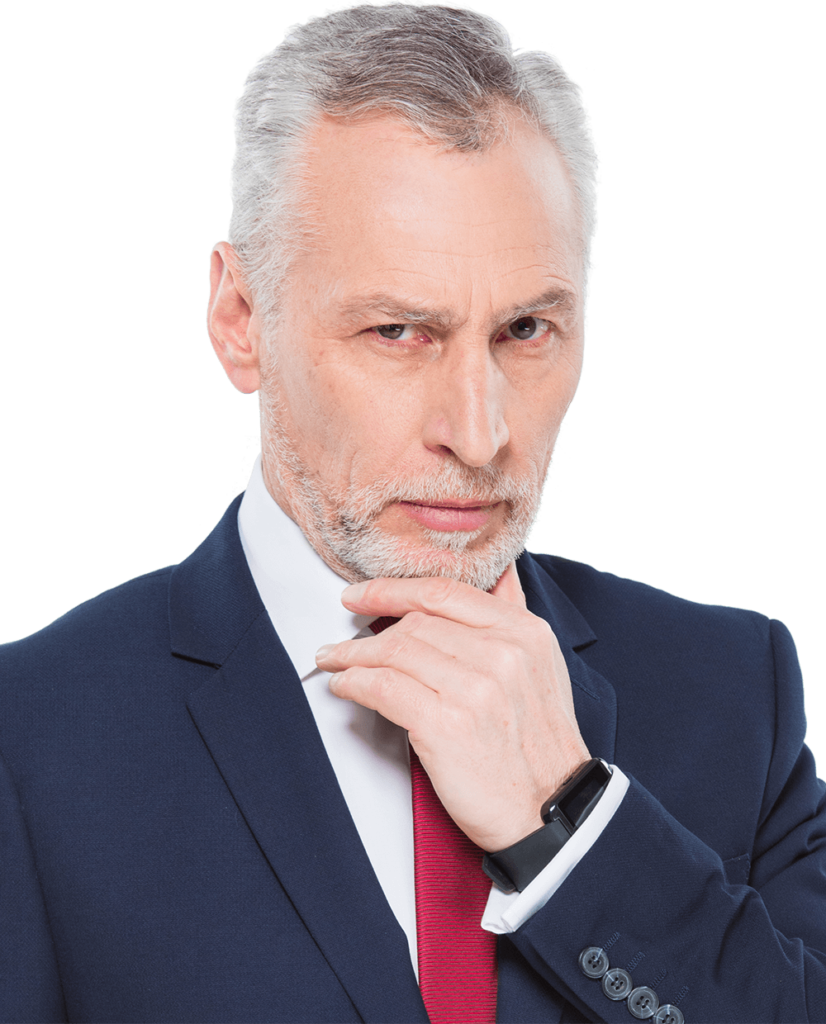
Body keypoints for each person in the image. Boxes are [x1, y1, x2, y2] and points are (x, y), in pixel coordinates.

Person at [2, 4, 823, 1023]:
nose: (478, 435)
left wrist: (572, 826)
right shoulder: (30, 736)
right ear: (240, 320)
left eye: (526, 329)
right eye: (397, 331)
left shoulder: (733, 691)